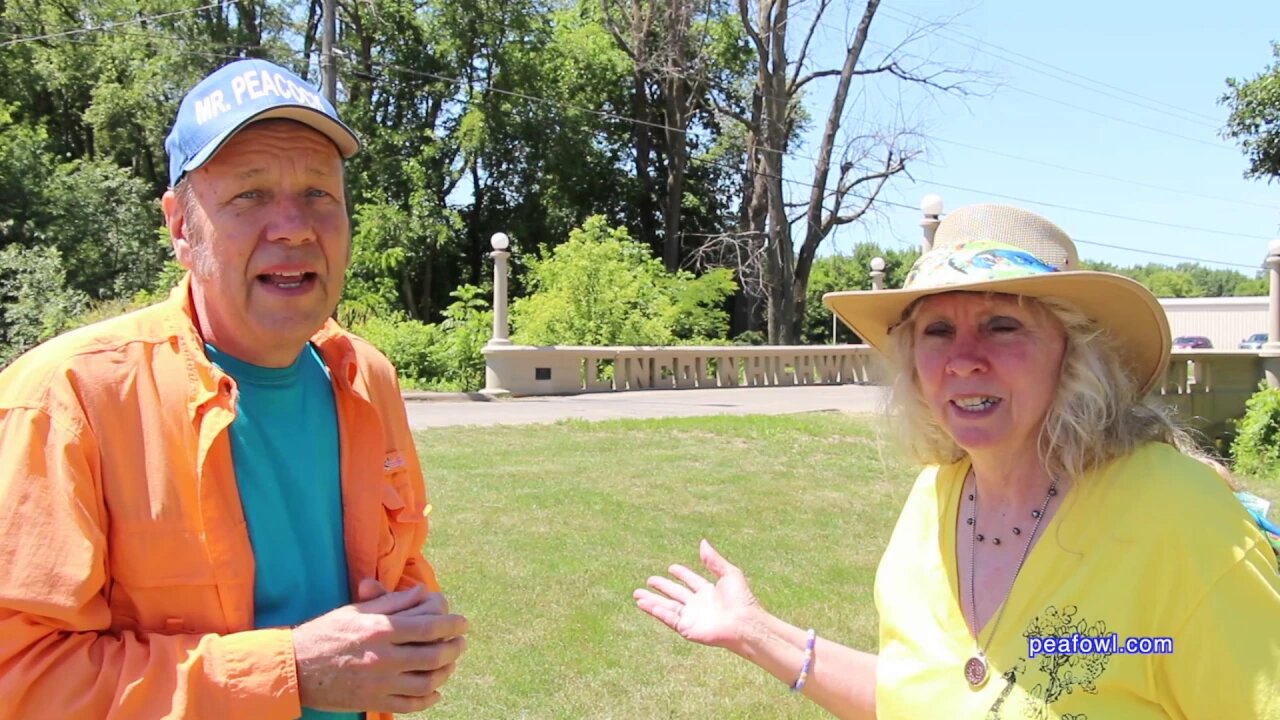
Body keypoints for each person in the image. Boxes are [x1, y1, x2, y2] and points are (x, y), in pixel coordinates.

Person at [634, 204, 1280, 718]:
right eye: (937, 331)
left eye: (1003, 325)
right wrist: (757, 634)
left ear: (1074, 353)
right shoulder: (934, 499)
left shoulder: (1183, 519)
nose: (963, 358)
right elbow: (921, 699)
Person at [0, 58, 467, 719]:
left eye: (319, 194)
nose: (295, 227)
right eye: (249, 195)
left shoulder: (365, 378)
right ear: (181, 227)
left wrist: (413, 627)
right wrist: (289, 674)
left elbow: (397, 566)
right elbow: (18, 679)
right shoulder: (66, 398)